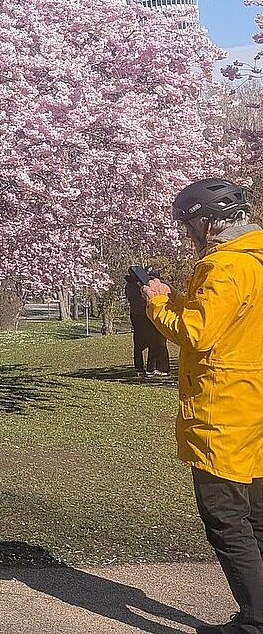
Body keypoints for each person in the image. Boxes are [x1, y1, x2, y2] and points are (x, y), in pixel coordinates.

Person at [143, 178, 263, 634]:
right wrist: (176, 297)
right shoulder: (254, 259)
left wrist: (157, 305)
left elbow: (196, 333)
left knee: (226, 519)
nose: (188, 235)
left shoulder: (224, 266)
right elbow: (228, 318)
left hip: (223, 410)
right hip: (255, 407)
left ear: (208, 222)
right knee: (257, 517)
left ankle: (255, 622)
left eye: (189, 226)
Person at [125, 270, 171, 379]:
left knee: (140, 343)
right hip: (147, 315)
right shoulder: (139, 287)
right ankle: (154, 368)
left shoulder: (130, 286)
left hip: (138, 315)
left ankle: (141, 368)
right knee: (156, 341)